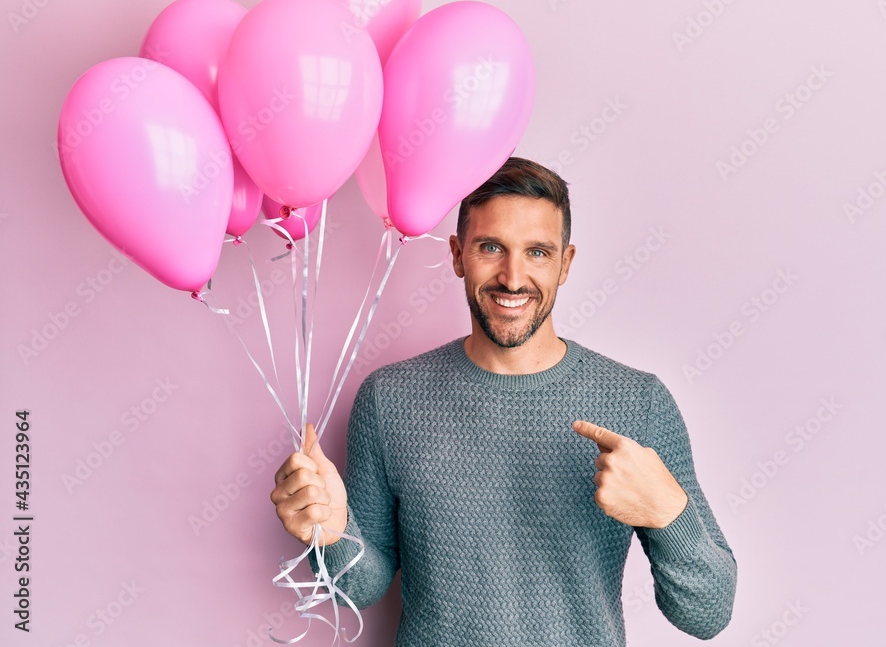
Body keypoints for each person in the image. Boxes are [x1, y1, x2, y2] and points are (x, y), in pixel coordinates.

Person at [271, 157, 737, 646]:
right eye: (491, 247)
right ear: (457, 255)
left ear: (566, 264)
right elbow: (361, 589)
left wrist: (668, 513)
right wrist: (329, 532)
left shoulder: (637, 403)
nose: (513, 278)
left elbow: (707, 615)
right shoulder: (389, 399)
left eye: (537, 252)